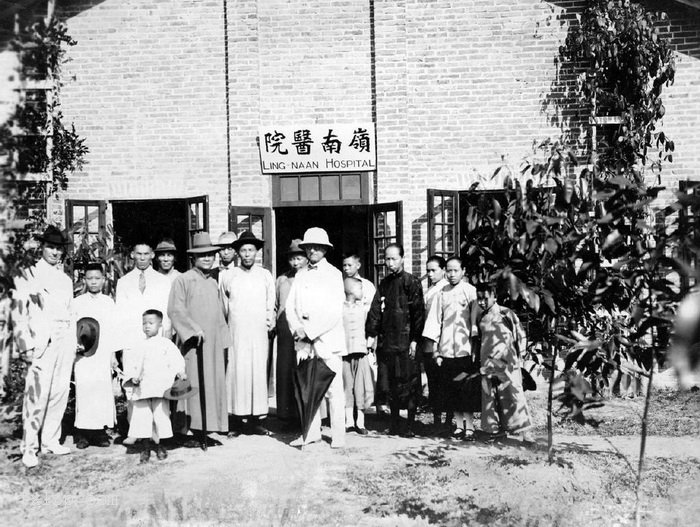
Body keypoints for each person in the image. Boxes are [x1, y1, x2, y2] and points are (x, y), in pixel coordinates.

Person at [12, 225, 76, 468]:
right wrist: (25, 345)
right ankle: (29, 447)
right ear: (42, 248)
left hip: (64, 339)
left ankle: (50, 439)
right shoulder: (28, 275)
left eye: (59, 249)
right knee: (37, 395)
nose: (55, 252)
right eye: (50, 247)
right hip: (41, 341)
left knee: (59, 391)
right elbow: (19, 314)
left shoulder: (65, 279)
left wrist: (73, 340)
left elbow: (70, 312)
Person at [168, 232, 231, 449]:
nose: (206, 259)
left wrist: (223, 338)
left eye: (210, 255)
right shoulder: (183, 280)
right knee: (193, 383)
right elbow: (175, 311)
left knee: (211, 383)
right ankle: (189, 430)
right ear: (193, 258)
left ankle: (207, 426)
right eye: (202, 255)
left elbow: (219, 313)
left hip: (211, 344)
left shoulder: (213, 281)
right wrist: (193, 330)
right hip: (193, 345)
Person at [286, 227, 346, 448]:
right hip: (304, 342)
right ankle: (311, 433)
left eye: (317, 247)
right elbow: (290, 306)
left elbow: (333, 311)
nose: (312, 250)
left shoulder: (334, 274)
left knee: (332, 389)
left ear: (325, 249)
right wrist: (298, 329)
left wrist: (311, 331)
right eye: (309, 247)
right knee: (307, 388)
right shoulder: (300, 275)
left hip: (327, 340)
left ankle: (338, 435)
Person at [366, 243, 425, 438]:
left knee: (408, 382)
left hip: (406, 340)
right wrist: (372, 335)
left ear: (402, 259)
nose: (390, 263)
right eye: (387, 259)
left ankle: (409, 425)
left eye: (394, 258)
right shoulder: (384, 284)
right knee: (390, 382)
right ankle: (394, 423)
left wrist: (415, 340)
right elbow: (375, 312)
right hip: (388, 341)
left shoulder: (412, 282)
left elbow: (418, 313)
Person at [115, 241, 172, 444]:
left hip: (156, 340)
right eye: (138, 253)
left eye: (146, 254)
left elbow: (167, 313)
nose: (142, 258)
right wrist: (119, 346)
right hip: (132, 339)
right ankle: (135, 430)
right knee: (133, 385)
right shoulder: (123, 282)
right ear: (132, 255)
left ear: (152, 256)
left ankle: (158, 431)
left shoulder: (162, 281)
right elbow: (119, 315)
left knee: (156, 383)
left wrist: (166, 339)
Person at [220, 231, 275, 435]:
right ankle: (236, 420)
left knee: (257, 372)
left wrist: (269, 323)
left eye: (251, 250)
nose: (247, 254)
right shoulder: (228, 276)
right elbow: (224, 305)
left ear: (257, 252)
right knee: (237, 372)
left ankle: (256, 420)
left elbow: (271, 303)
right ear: (237, 253)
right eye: (243, 250)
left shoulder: (265, 275)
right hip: (237, 333)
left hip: (259, 332)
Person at [422, 257, 480, 441]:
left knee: (466, 389)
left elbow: (475, 322)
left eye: (456, 270)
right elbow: (435, 321)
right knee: (452, 389)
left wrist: (475, 349)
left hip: (465, 350)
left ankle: (470, 428)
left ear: (463, 271)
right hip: (447, 350)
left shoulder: (470, 292)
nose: (452, 274)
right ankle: (458, 426)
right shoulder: (442, 293)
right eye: (449, 270)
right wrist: (436, 351)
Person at [125, 309, 186, 463]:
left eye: (151, 323)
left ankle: (161, 445)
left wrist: (180, 371)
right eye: (144, 323)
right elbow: (133, 364)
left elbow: (176, 359)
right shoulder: (138, 345)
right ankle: (145, 447)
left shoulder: (166, 344)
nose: (147, 326)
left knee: (161, 416)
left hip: (160, 387)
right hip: (143, 388)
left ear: (160, 325)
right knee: (142, 416)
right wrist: (133, 377)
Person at [71, 262, 121, 449]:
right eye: (90, 278)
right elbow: (72, 327)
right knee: (84, 390)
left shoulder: (108, 302)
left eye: (97, 278)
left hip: (103, 352)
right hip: (83, 354)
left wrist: (113, 355)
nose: (93, 282)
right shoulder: (77, 302)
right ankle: (82, 433)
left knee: (101, 390)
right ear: (84, 280)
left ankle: (100, 432)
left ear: (104, 279)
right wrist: (75, 345)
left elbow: (113, 330)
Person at [476, 281, 533, 442]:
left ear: (494, 297)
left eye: (485, 298)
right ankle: (494, 430)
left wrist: (521, 358)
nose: (482, 302)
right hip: (487, 363)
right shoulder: (481, 317)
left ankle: (524, 432)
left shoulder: (506, 314)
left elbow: (520, 335)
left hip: (508, 362)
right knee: (490, 396)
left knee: (513, 395)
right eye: (479, 299)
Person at [274, 239, 308, 428]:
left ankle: (305, 415)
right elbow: (276, 305)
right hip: (285, 330)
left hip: (304, 329)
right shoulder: (281, 280)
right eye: (292, 259)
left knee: (303, 369)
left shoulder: (310, 278)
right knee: (286, 371)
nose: (295, 263)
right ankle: (286, 416)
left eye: (299, 258)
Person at [342, 277, 374, 435]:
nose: (363, 293)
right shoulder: (340, 308)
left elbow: (371, 326)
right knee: (347, 387)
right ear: (351, 291)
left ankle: (360, 422)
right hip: (345, 353)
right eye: (360, 289)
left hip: (361, 353)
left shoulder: (364, 309)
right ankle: (348, 421)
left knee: (360, 387)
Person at [422, 255, 449, 427]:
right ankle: (437, 421)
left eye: (434, 270)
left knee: (444, 383)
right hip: (428, 342)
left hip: (442, 343)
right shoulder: (430, 290)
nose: (430, 274)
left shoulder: (445, 289)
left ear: (443, 270)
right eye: (428, 271)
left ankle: (447, 421)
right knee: (434, 382)